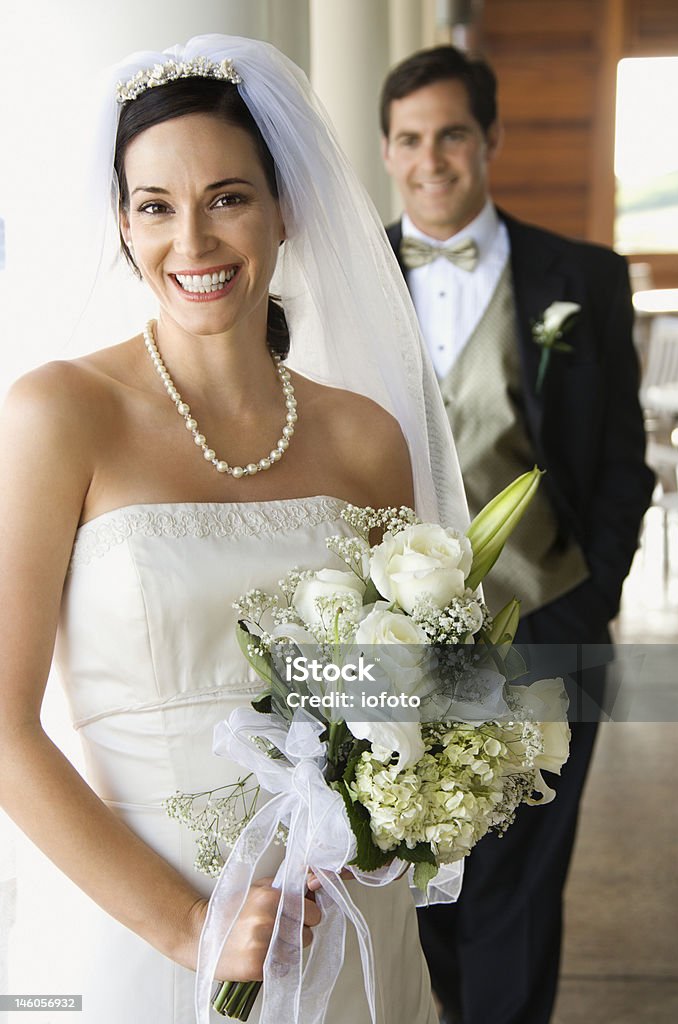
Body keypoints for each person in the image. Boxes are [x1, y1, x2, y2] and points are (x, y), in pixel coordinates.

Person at [0, 35, 471, 1024]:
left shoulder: (364, 436)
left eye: (228, 196)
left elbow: (407, 699)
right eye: (155, 207)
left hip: (342, 924)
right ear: (122, 228)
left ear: (284, 203)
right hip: (144, 932)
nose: (194, 243)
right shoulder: (58, 414)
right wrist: (188, 925)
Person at [380, 45, 654, 1024]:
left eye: (451, 132)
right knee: (409, 881)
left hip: (548, 618)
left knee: (519, 887)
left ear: (489, 137)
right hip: (390, 640)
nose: (431, 160)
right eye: (408, 139)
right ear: (385, 151)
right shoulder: (347, 281)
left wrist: (593, 594)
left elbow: (624, 461)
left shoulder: (580, 277)